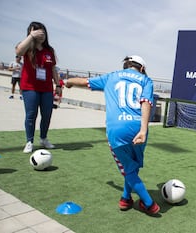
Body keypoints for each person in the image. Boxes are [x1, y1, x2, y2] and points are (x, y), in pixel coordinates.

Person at [65, 55, 160, 215]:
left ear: (126, 66)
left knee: (128, 168)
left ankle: (149, 204)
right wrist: (143, 130)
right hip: (137, 126)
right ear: (142, 68)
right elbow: (146, 102)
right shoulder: (146, 80)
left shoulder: (111, 76)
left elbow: (85, 82)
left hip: (117, 130)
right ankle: (125, 198)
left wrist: (68, 82)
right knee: (132, 167)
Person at [15, 22, 62, 153]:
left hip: (46, 88)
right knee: (31, 115)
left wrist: (57, 84)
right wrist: (31, 36)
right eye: (37, 32)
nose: (41, 35)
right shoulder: (27, 47)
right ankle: (29, 141)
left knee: (47, 114)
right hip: (30, 87)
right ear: (31, 33)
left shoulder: (49, 51)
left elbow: (53, 68)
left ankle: (43, 138)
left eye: (43, 32)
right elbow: (19, 51)